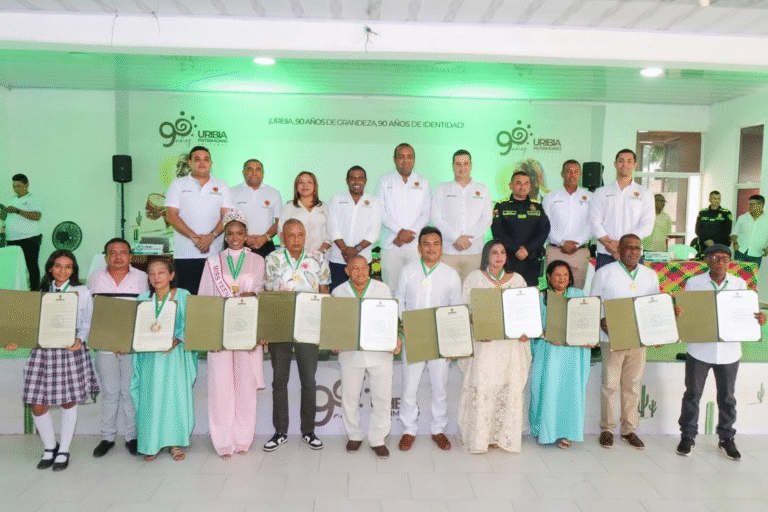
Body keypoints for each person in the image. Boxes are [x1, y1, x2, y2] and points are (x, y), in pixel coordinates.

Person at [5, 250, 99, 471]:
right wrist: (15, 340)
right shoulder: (40, 292)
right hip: (42, 352)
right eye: (58, 266)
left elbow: (87, 322)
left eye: (68, 267)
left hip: (69, 350)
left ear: (74, 270)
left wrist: (80, 339)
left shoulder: (82, 292)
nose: (63, 270)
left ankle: (64, 449)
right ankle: (50, 446)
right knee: (36, 403)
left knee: (68, 401)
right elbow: (28, 325)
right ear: (50, 268)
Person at [676, 244, 767, 460]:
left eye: (724, 258)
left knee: (727, 397)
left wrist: (759, 320)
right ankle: (687, 436)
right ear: (707, 260)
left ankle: (726, 438)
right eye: (715, 257)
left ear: (730, 262)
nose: (720, 262)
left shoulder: (739, 284)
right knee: (692, 395)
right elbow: (686, 314)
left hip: (729, 351)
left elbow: (747, 313)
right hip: (700, 349)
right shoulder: (694, 283)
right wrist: (679, 312)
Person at [198, 209, 265, 458]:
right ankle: (223, 440)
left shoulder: (257, 261)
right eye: (230, 233)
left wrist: (253, 295)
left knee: (245, 386)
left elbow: (263, 291)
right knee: (220, 385)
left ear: (247, 235)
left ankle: (243, 438)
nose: (235, 237)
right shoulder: (213, 262)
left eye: (240, 233)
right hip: (220, 331)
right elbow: (205, 297)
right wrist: (208, 335)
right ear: (224, 236)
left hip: (247, 329)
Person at [262, 219, 330, 452]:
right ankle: (280, 430)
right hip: (281, 324)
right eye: (291, 235)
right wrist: (267, 329)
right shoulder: (272, 259)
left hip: (308, 327)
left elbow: (324, 292)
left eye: (300, 234)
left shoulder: (318, 258)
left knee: (308, 381)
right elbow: (268, 294)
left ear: (305, 235)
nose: (296, 239)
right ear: (282, 237)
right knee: (279, 380)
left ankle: (308, 431)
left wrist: (324, 327)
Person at [458, 240, 530, 453]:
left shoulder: (517, 280)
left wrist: (526, 331)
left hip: (510, 346)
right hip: (485, 345)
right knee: (484, 386)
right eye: (494, 252)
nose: (499, 256)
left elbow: (525, 311)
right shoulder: (474, 279)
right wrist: (478, 328)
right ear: (486, 256)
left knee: (508, 386)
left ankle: (503, 436)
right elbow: (465, 311)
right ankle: (481, 438)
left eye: (502, 252)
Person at [590, 234, 660, 450]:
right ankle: (607, 429)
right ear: (619, 250)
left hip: (639, 339)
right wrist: (601, 320)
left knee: (632, 386)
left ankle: (629, 429)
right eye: (628, 247)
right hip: (612, 338)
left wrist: (658, 333)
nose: (633, 251)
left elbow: (655, 306)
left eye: (637, 248)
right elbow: (594, 303)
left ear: (641, 251)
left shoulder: (650, 275)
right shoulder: (603, 273)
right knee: (610, 385)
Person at [397, 226, 461, 452]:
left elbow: (456, 309)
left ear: (442, 248)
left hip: (440, 339)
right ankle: (408, 430)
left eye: (435, 244)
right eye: (426, 244)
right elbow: (400, 302)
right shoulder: (408, 271)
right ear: (419, 247)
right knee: (409, 387)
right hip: (414, 336)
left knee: (440, 387)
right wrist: (403, 330)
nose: (431, 248)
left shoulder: (450, 274)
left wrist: (452, 343)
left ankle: (438, 430)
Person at [332, 255, 400, 459]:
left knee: (381, 397)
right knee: (350, 397)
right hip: (350, 352)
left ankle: (378, 438)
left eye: (364, 268)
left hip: (379, 352)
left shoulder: (382, 289)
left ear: (369, 269)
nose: (360, 272)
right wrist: (334, 340)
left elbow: (391, 317)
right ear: (347, 271)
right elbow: (334, 322)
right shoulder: (338, 292)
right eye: (355, 268)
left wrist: (396, 338)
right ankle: (354, 435)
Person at [130, 258, 198, 461]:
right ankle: (151, 443)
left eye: (161, 272)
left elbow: (192, 324)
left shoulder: (184, 296)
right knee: (151, 398)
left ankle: (175, 443)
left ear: (171, 275)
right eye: (151, 273)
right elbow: (136, 328)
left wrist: (178, 338)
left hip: (174, 358)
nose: (156, 277)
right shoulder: (143, 299)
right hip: (151, 358)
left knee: (174, 398)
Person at [87, 237, 148, 458]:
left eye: (123, 252)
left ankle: (131, 437)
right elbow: (90, 312)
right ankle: (107, 437)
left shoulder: (142, 278)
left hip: (131, 346)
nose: (118, 256)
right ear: (106, 257)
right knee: (110, 391)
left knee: (129, 391)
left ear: (130, 256)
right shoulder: (94, 278)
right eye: (112, 252)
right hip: (104, 345)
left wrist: (126, 340)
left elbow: (145, 311)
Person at [529, 260, 594, 449]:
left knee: (569, 391)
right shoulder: (542, 297)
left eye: (565, 275)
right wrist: (547, 335)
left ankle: (567, 433)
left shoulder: (578, 295)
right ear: (548, 277)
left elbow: (586, 322)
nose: (562, 279)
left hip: (572, 354)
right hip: (549, 352)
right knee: (547, 390)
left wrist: (588, 337)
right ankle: (544, 431)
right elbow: (534, 328)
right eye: (557, 275)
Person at [164, 146, 232, 294]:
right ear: (189, 163)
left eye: (206, 159)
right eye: (197, 159)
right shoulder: (178, 184)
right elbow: (171, 215)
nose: (202, 163)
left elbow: (227, 216)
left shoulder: (222, 185)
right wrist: (195, 238)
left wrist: (211, 237)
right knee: (187, 299)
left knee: (212, 300)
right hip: (185, 254)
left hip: (214, 254)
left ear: (211, 163)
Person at [431, 149, 492, 282]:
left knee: (470, 293)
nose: (462, 168)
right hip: (448, 251)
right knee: (446, 292)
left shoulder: (482, 189)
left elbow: (487, 218)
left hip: (474, 252)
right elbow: (435, 217)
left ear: (471, 165)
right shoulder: (442, 188)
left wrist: (468, 240)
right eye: (458, 164)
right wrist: (455, 238)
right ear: (452, 166)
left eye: (466, 164)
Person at [377, 143, 431, 294]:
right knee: (391, 290)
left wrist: (408, 234)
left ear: (414, 159)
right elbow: (380, 211)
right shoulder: (384, 180)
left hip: (415, 246)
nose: (405, 161)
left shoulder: (423, 182)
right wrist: (399, 232)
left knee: (415, 289)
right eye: (401, 157)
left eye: (409, 157)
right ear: (394, 159)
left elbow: (426, 214)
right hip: (390, 244)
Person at [590, 149, 655, 270]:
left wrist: (624, 245)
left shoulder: (645, 193)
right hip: (606, 253)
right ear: (615, 164)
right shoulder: (601, 192)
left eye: (629, 161)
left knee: (634, 288)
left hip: (633, 254)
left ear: (635, 165)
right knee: (604, 288)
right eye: (621, 161)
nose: (624, 164)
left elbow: (647, 225)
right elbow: (595, 222)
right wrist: (610, 245)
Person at [491, 170, 550, 286]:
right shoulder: (501, 206)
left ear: (530, 186)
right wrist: (515, 249)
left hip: (532, 260)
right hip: (509, 260)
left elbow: (544, 230)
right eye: (518, 183)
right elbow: (498, 232)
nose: (522, 187)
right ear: (511, 186)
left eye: (526, 183)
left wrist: (527, 249)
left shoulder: (537, 206)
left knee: (531, 295)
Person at [327, 165, 382, 291]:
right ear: (347, 180)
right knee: (337, 296)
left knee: (360, 296)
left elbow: (374, 232)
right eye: (353, 178)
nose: (356, 182)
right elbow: (332, 227)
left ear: (365, 180)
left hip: (363, 261)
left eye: (360, 178)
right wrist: (345, 250)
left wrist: (355, 250)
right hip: (338, 259)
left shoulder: (374, 201)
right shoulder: (337, 199)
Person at [543, 160, 593, 289]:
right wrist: (561, 243)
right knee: (553, 295)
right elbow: (544, 225)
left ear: (580, 174)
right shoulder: (550, 197)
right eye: (568, 171)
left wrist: (578, 242)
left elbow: (593, 224)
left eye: (576, 171)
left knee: (575, 295)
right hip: (555, 251)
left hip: (579, 252)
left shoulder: (590, 197)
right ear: (562, 174)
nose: (572, 175)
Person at [231, 159, 283, 259]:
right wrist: (244, 237)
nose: (254, 173)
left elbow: (279, 221)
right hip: (239, 244)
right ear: (243, 172)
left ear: (263, 173)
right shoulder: (232, 192)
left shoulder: (274, 193)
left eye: (258, 169)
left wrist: (265, 237)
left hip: (265, 244)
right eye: (250, 169)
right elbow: (228, 220)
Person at [278, 171, 331, 255]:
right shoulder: (288, 207)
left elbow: (330, 233)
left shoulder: (325, 207)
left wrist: (319, 253)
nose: (305, 185)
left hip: (321, 256)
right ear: (296, 187)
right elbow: (282, 233)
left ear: (315, 186)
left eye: (309, 182)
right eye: (301, 182)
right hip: (295, 257)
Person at [5, 173, 42, 290]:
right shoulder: (12, 199)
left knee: (31, 266)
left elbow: (37, 215)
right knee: (14, 267)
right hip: (12, 239)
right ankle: (17, 290)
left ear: (27, 185)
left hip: (29, 238)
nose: (16, 189)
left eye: (19, 186)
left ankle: (35, 292)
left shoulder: (33, 198)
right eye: (14, 186)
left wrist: (17, 210)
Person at [730, 194, 768, 268]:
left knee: (751, 278)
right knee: (736, 277)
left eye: (752, 204)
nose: (749, 206)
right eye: (749, 204)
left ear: (761, 205)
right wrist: (735, 243)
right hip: (740, 252)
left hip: (756, 255)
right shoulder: (742, 218)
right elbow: (734, 233)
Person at [694, 190, 732, 259]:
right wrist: (706, 240)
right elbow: (698, 229)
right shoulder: (703, 212)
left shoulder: (726, 213)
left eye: (718, 198)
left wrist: (714, 242)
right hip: (704, 246)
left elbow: (727, 230)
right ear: (710, 199)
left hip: (720, 246)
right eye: (714, 198)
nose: (717, 201)